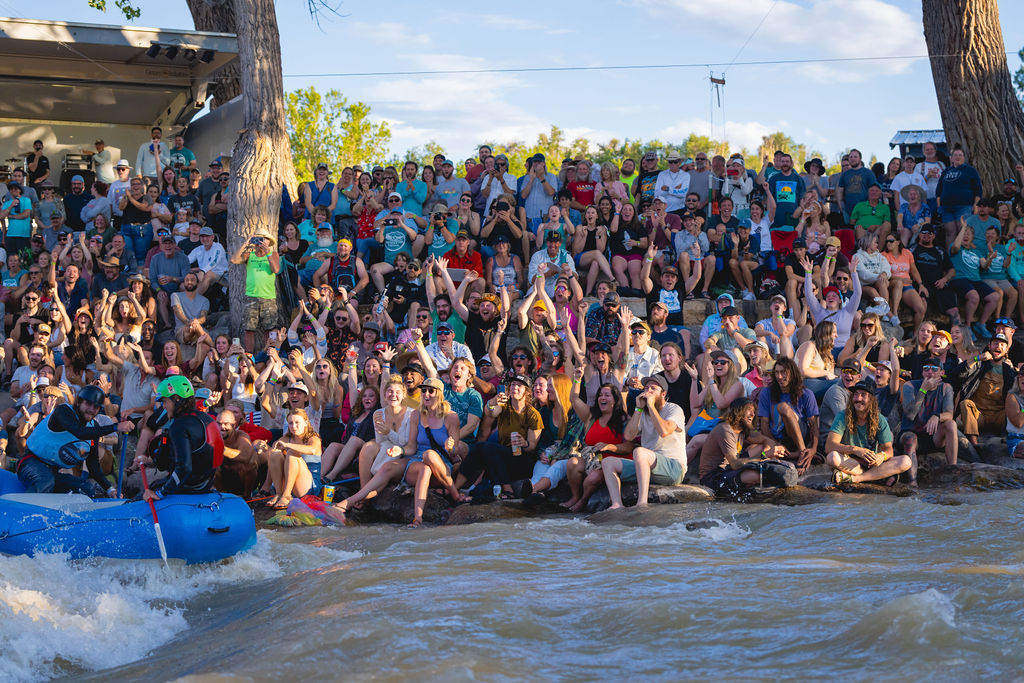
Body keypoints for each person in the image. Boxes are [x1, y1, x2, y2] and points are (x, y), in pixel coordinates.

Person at [17, 385, 132, 495]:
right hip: (30, 463)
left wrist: (110, 489)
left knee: (86, 489)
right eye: (88, 404)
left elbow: (93, 465)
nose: (91, 409)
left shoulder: (94, 429)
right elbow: (79, 432)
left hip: (53, 472)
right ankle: (19, 512)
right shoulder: (63, 411)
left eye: (96, 407)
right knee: (46, 482)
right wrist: (116, 427)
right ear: (78, 402)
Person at [601, 375, 687, 509]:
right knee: (608, 462)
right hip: (646, 467)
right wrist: (638, 409)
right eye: (646, 388)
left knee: (640, 452)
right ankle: (617, 504)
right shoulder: (643, 412)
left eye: (653, 389)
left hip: (673, 468)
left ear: (663, 394)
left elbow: (663, 431)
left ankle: (642, 503)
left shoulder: (674, 409)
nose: (648, 392)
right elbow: (629, 436)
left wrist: (651, 406)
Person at [700, 397, 796, 498]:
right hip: (713, 476)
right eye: (749, 410)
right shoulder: (725, 430)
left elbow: (768, 441)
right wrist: (764, 456)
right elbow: (735, 464)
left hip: (729, 468)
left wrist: (769, 454)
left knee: (760, 448)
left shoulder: (742, 430)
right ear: (738, 411)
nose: (753, 414)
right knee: (754, 476)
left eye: (754, 411)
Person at [826, 381, 911, 486]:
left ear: (871, 400)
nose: (858, 399)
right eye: (856, 394)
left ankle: (856, 479)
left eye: (863, 395)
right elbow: (829, 446)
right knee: (832, 457)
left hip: (872, 464)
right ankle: (876, 477)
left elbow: (888, 449)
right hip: (851, 462)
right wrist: (856, 450)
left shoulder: (880, 419)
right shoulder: (842, 416)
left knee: (906, 461)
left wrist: (882, 456)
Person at [899, 359, 957, 486]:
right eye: (926, 368)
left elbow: (949, 414)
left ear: (941, 373)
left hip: (933, 436)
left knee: (951, 424)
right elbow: (910, 414)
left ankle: (953, 471)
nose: (929, 372)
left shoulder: (946, 388)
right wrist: (923, 391)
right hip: (912, 434)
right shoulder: (910, 386)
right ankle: (913, 482)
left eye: (934, 369)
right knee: (910, 438)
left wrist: (937, 416)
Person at [757, 357, 819, 472]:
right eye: (777, 373)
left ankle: (802, 453)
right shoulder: (766, 392)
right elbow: (764, 424)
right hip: (778, 439)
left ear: (792, 373)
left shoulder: (806, 394)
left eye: (783, 372)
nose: (779, 377)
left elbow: (814, 425)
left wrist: (813, 449)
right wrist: (777, 445)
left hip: (799, 437)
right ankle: (793, 454)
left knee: (783, 407)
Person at [955, 333, 1015, 445]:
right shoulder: (979, 364)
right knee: (965, 403)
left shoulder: (1009, 371)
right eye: (995, 343)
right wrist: (977, 358)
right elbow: (957, 374)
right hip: (978, 415)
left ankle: (1007, 438)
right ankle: (974, 443)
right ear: (989, 346)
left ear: (1006, 350)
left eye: (1002, 344)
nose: (998, 346)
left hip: (999, 416)